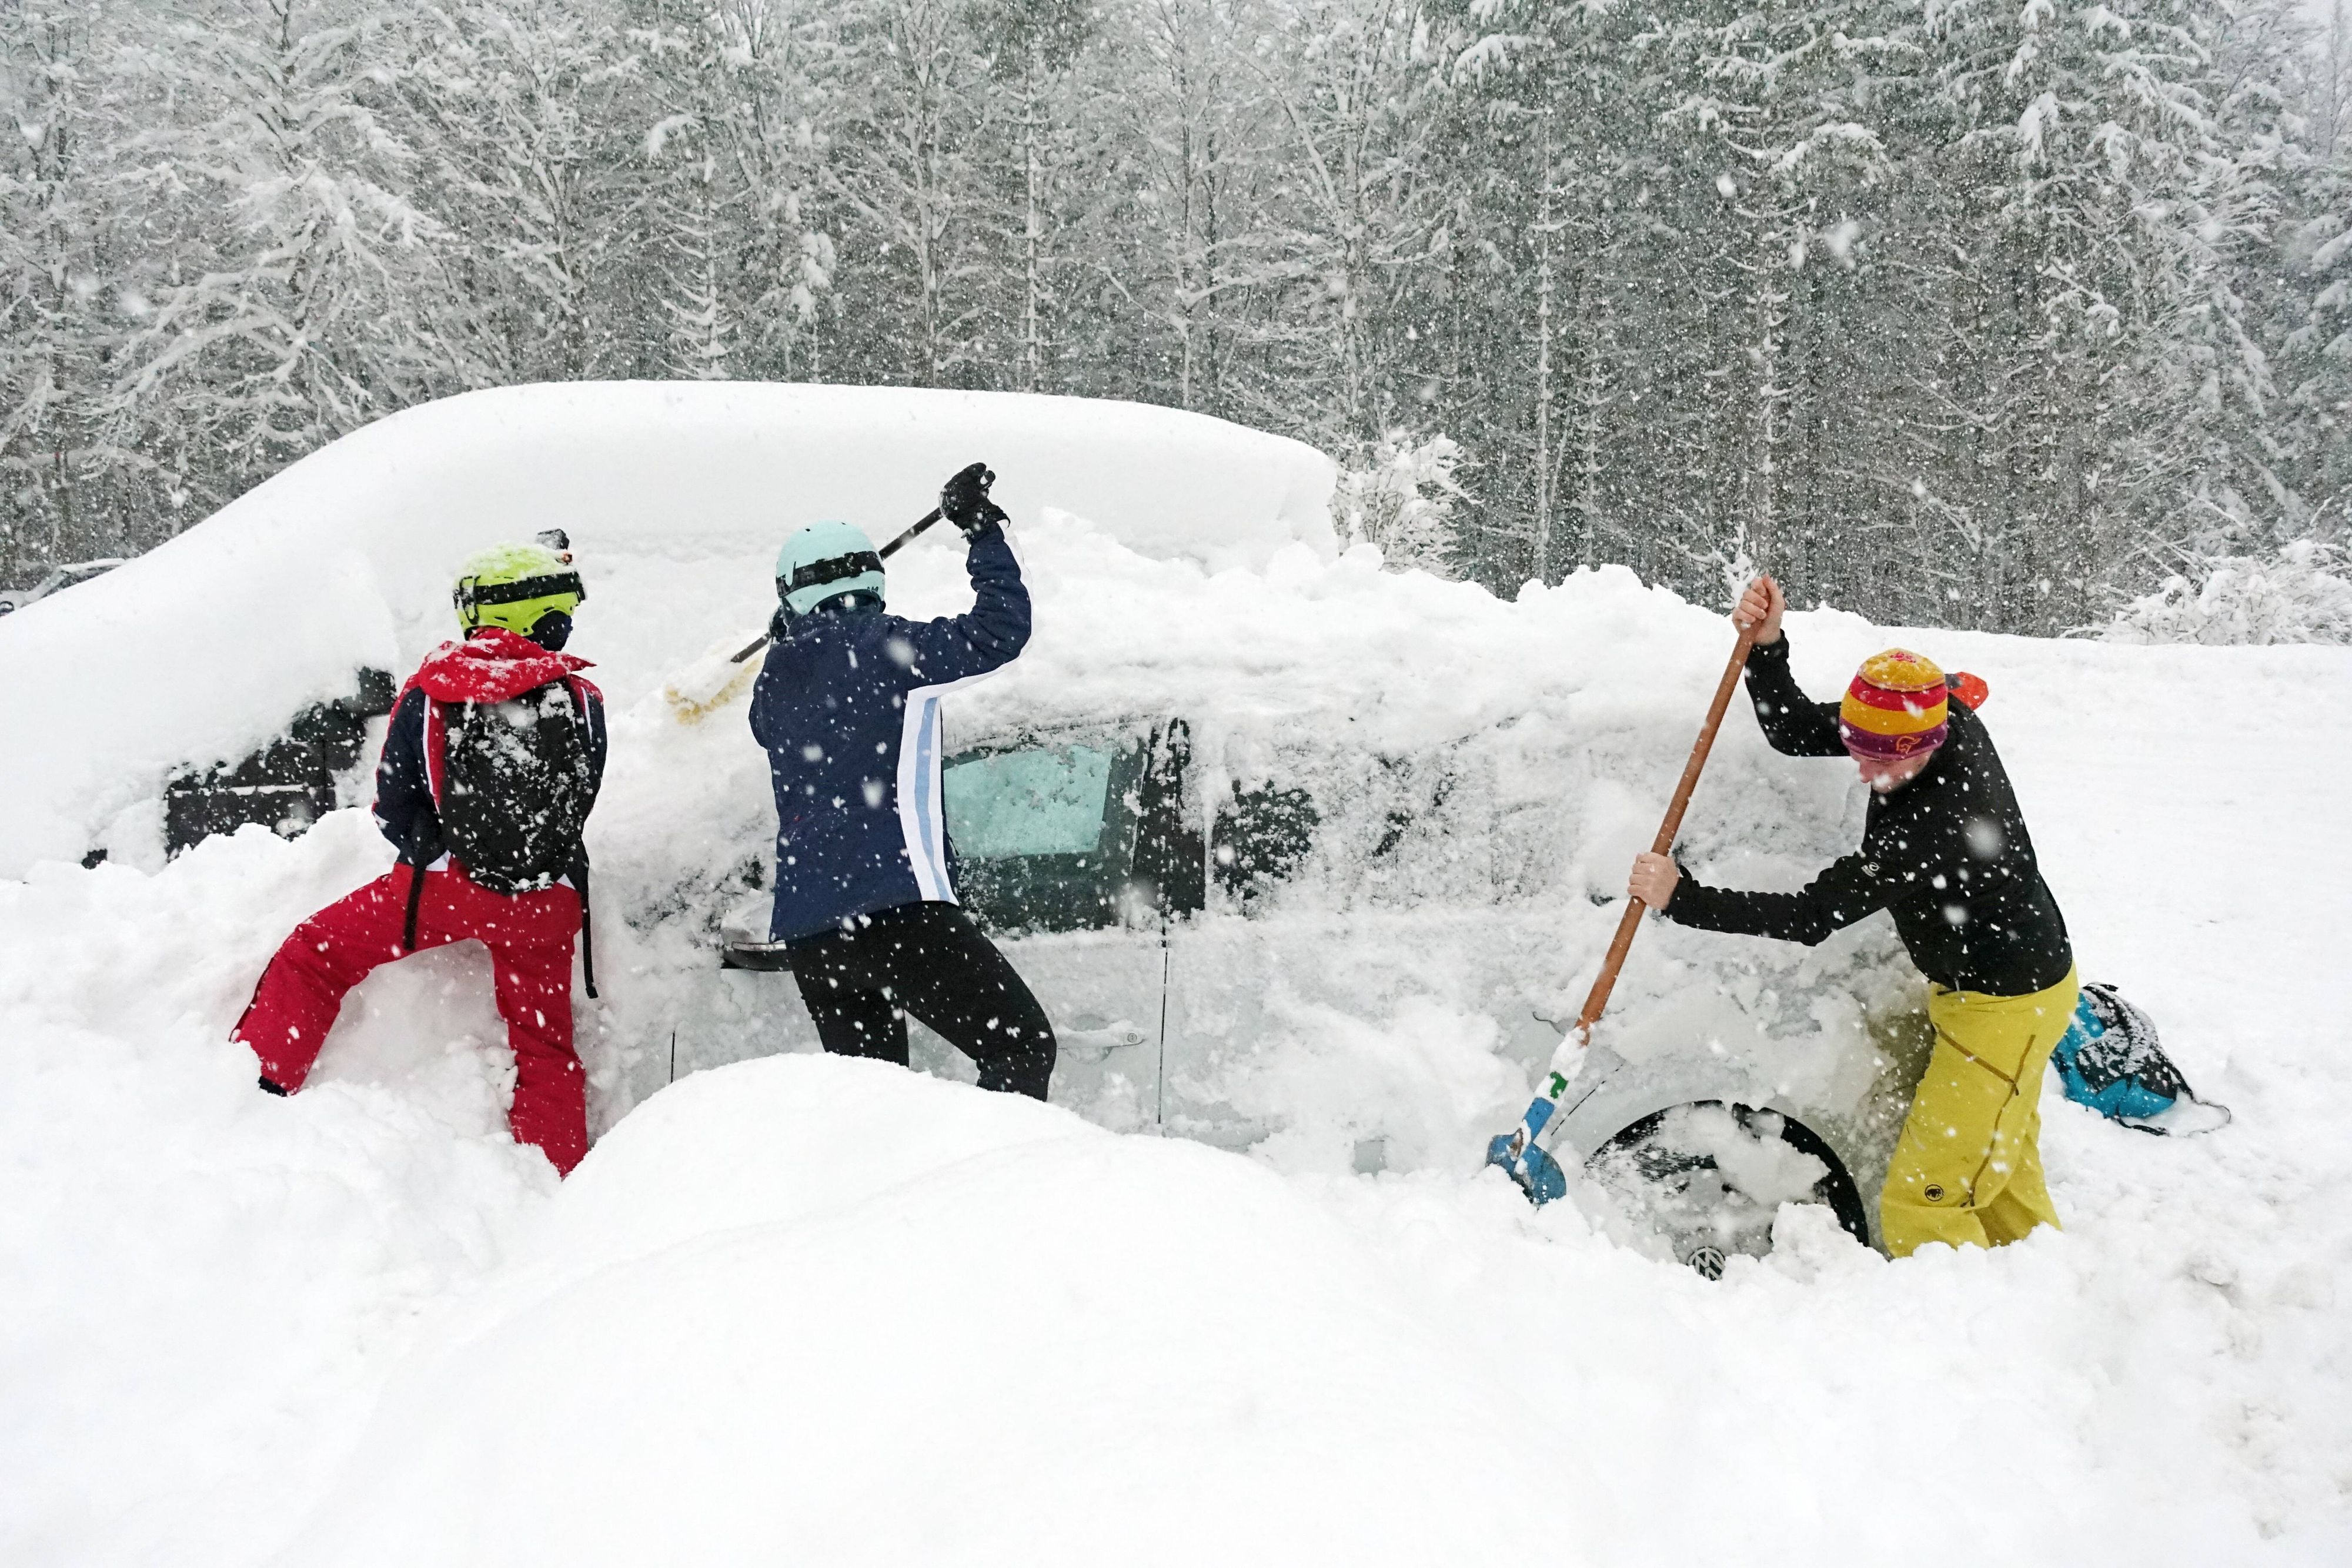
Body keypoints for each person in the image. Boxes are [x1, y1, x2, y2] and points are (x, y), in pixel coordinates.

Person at [1626, 574, 2075, 1258]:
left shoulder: (1933, 828)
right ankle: (2034, 1276)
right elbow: (1792, 730)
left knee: (1924, 1198)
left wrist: (1683, 899)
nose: (1863, 774)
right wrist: (1767, 646)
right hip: (1992, 990)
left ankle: (1959, 1311)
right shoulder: (1920, 711)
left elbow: (1810, 915)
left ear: (1926, 742)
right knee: (1997, 1168)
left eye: (1882, 765)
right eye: (1857, 751)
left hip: (2005, 1005)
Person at [232, 543, 606, 1175]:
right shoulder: (581, 698)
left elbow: (392, 806)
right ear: (540, 614)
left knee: (316, 955)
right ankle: (554, 1176)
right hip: (546, 902)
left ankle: (257, 1087)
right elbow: (583, 796)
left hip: (442, 892)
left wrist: (440, 854)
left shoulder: (431, 693)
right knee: (545, 1047)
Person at [750, 462, 1057, 1099]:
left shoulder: (774, 677)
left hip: (814, 933)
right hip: (897, 909)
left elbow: (768, 725)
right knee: (1021, 1045)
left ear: (790, 594)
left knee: (876, 1103)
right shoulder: (890, 648)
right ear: (872, 577)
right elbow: (1001, 630)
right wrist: (982, 532)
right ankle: (1003, 1165)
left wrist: (793, 637)